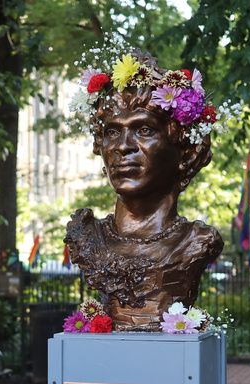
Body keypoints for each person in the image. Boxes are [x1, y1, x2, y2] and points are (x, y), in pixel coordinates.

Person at [65, 53, 224, 330]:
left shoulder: (195, 242)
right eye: (113, 132)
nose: (123, 146)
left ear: (185, 154)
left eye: (144, 130)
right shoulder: (86, 235)